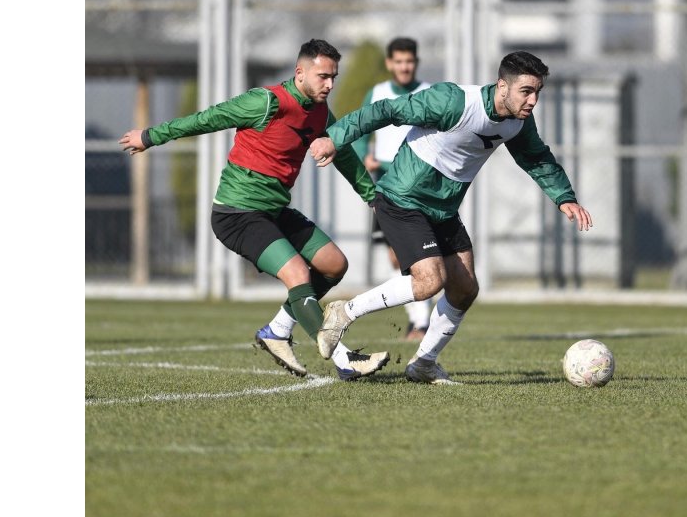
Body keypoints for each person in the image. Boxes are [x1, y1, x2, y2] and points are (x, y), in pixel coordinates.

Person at [308, 50, 593, 384]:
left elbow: (536, 158)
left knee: (464, 289)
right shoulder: (453, 101)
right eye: (526, 91)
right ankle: (345, 311)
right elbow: (385, 110)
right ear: (502, 86)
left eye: (537, 93)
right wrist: (335, 138)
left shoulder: (519, 122)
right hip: (403, 196)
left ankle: (424, 364)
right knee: (430, 280)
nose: (533, 101)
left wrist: (564, 197)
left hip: (443, 208)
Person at [118, 39, 390, 382]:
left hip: (274, 212)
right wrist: (151, 136)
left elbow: (345, 154)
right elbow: (207, 119)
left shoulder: (320, 112)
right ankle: (344, 358)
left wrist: (372, 196)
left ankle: (276, 331)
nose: (330, 85)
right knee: (297, 274)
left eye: (333, 77)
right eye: (323, 76)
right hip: (237, 214)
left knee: (334, 264)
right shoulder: (265, 101)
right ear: (300, 72)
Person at [349, 37, 435, 341]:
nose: (404, 66)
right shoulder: (379, 93)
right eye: (398, 61)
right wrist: (364, 158)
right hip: (386, 184)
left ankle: (422, 323)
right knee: (397, 258)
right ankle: (419, 321)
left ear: (415, 62)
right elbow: (360, 132)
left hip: (423, 186)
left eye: (409, 61)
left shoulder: (429, 94)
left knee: (424, 257)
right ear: (390, 63)